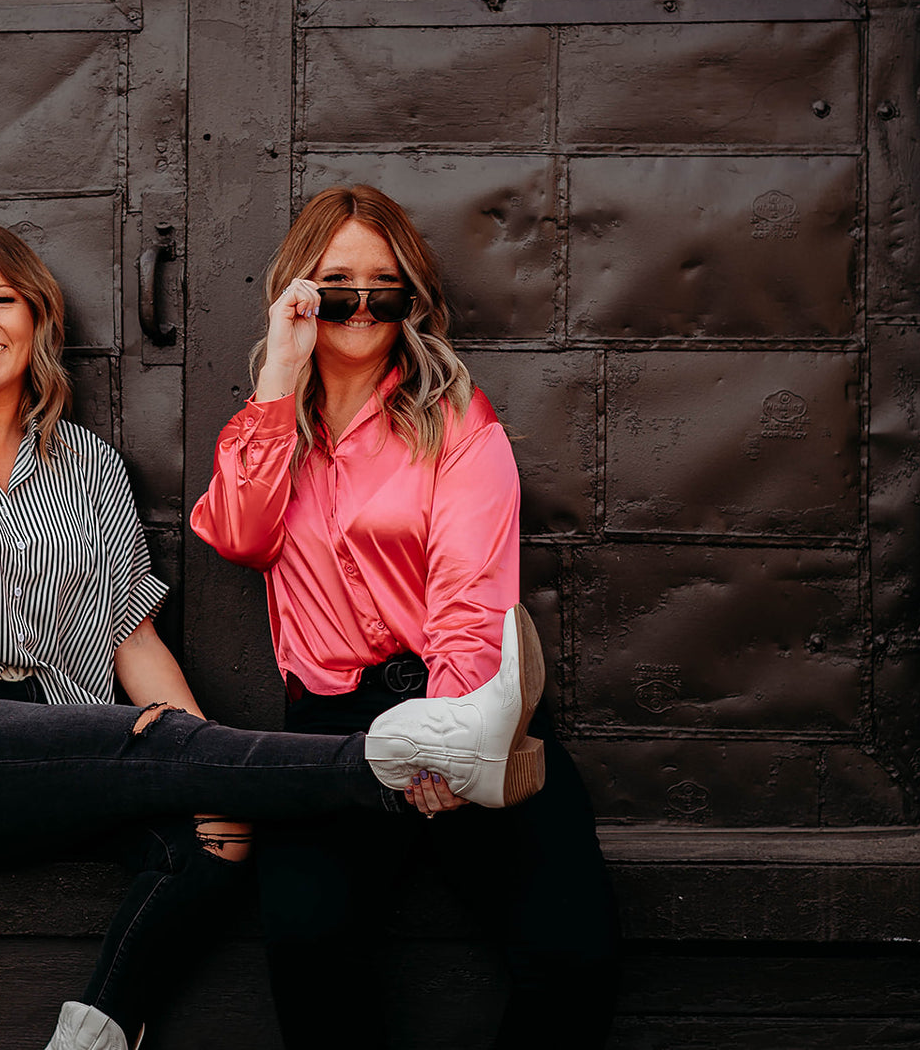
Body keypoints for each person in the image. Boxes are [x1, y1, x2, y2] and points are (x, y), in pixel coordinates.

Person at [0, 223, 548, 1050]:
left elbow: (131, 637)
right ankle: (403, 755)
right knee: (141, 740)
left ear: (37, 317)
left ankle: (95, 1034)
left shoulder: (88, 466)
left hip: (70, 758)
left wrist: (202, 763)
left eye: (3, 300)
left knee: (218, 835)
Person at [191, 185, 622, 1049]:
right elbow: (240, 535)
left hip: (463, 705)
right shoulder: (261, 432)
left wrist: (452, 739)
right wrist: (280, 373)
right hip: (331, 733)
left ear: (410, 297)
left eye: (382, 286)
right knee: (309, 956)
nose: (360, 304)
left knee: (571, 949)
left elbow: (473, 589)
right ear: (299, 293)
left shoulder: (457, 419)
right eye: (336, 285)